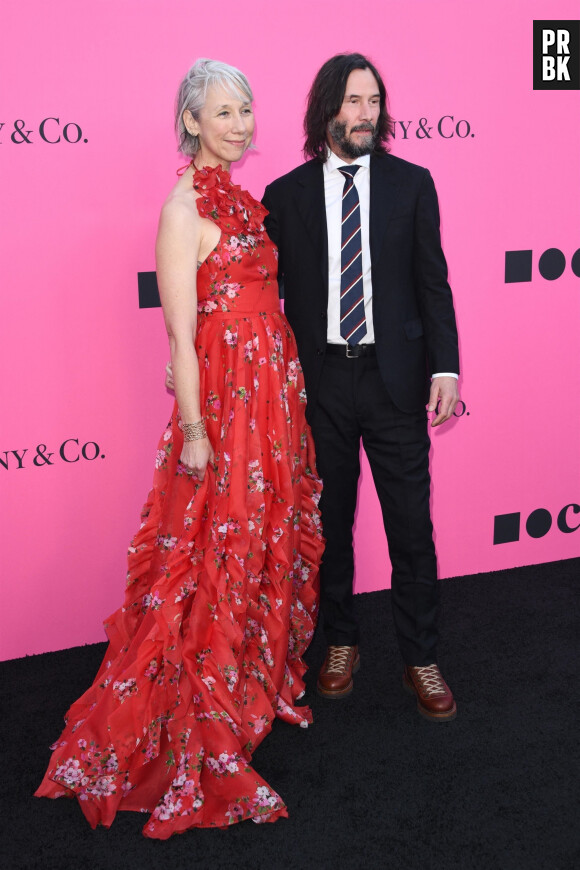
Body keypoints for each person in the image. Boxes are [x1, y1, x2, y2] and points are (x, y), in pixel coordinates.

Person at [35, 59, 323, 838]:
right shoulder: (182, 208)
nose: (240, 124)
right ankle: (203, 719)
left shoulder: (243, 201)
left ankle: (250, 686)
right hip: (226, 409)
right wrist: (194, 432)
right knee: (213, 553)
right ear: (191, 120)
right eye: (224, 113)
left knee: (258, 541)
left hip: (271, 397)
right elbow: (181, 336)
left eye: (247, 111)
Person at [261, 53, 460, 721]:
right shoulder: (285, 195)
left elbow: (433, 283)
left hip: (395, 381)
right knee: (332, 526)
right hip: (321, 385)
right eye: (353, 101)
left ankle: (420, 655)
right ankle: (340, 642)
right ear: (326, 111)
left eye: (373, 100)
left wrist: (445, 368)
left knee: (411, 528)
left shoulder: (412, 184)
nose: (366, 112)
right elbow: (259, 292)